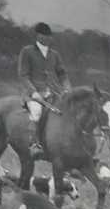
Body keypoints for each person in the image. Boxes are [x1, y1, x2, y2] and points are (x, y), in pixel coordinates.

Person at [17, 23, 70, 156]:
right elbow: (23, 75)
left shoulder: (55, 54)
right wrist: (33, 92)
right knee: (36, 112)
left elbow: (62, 74)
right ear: (38, 35)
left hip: (54, 92)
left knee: (67, 111)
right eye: (43, 35)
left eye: (48, 36)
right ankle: (34, 144)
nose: (47, 38)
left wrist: (67, 88)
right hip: (33, 93)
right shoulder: (27, 51)